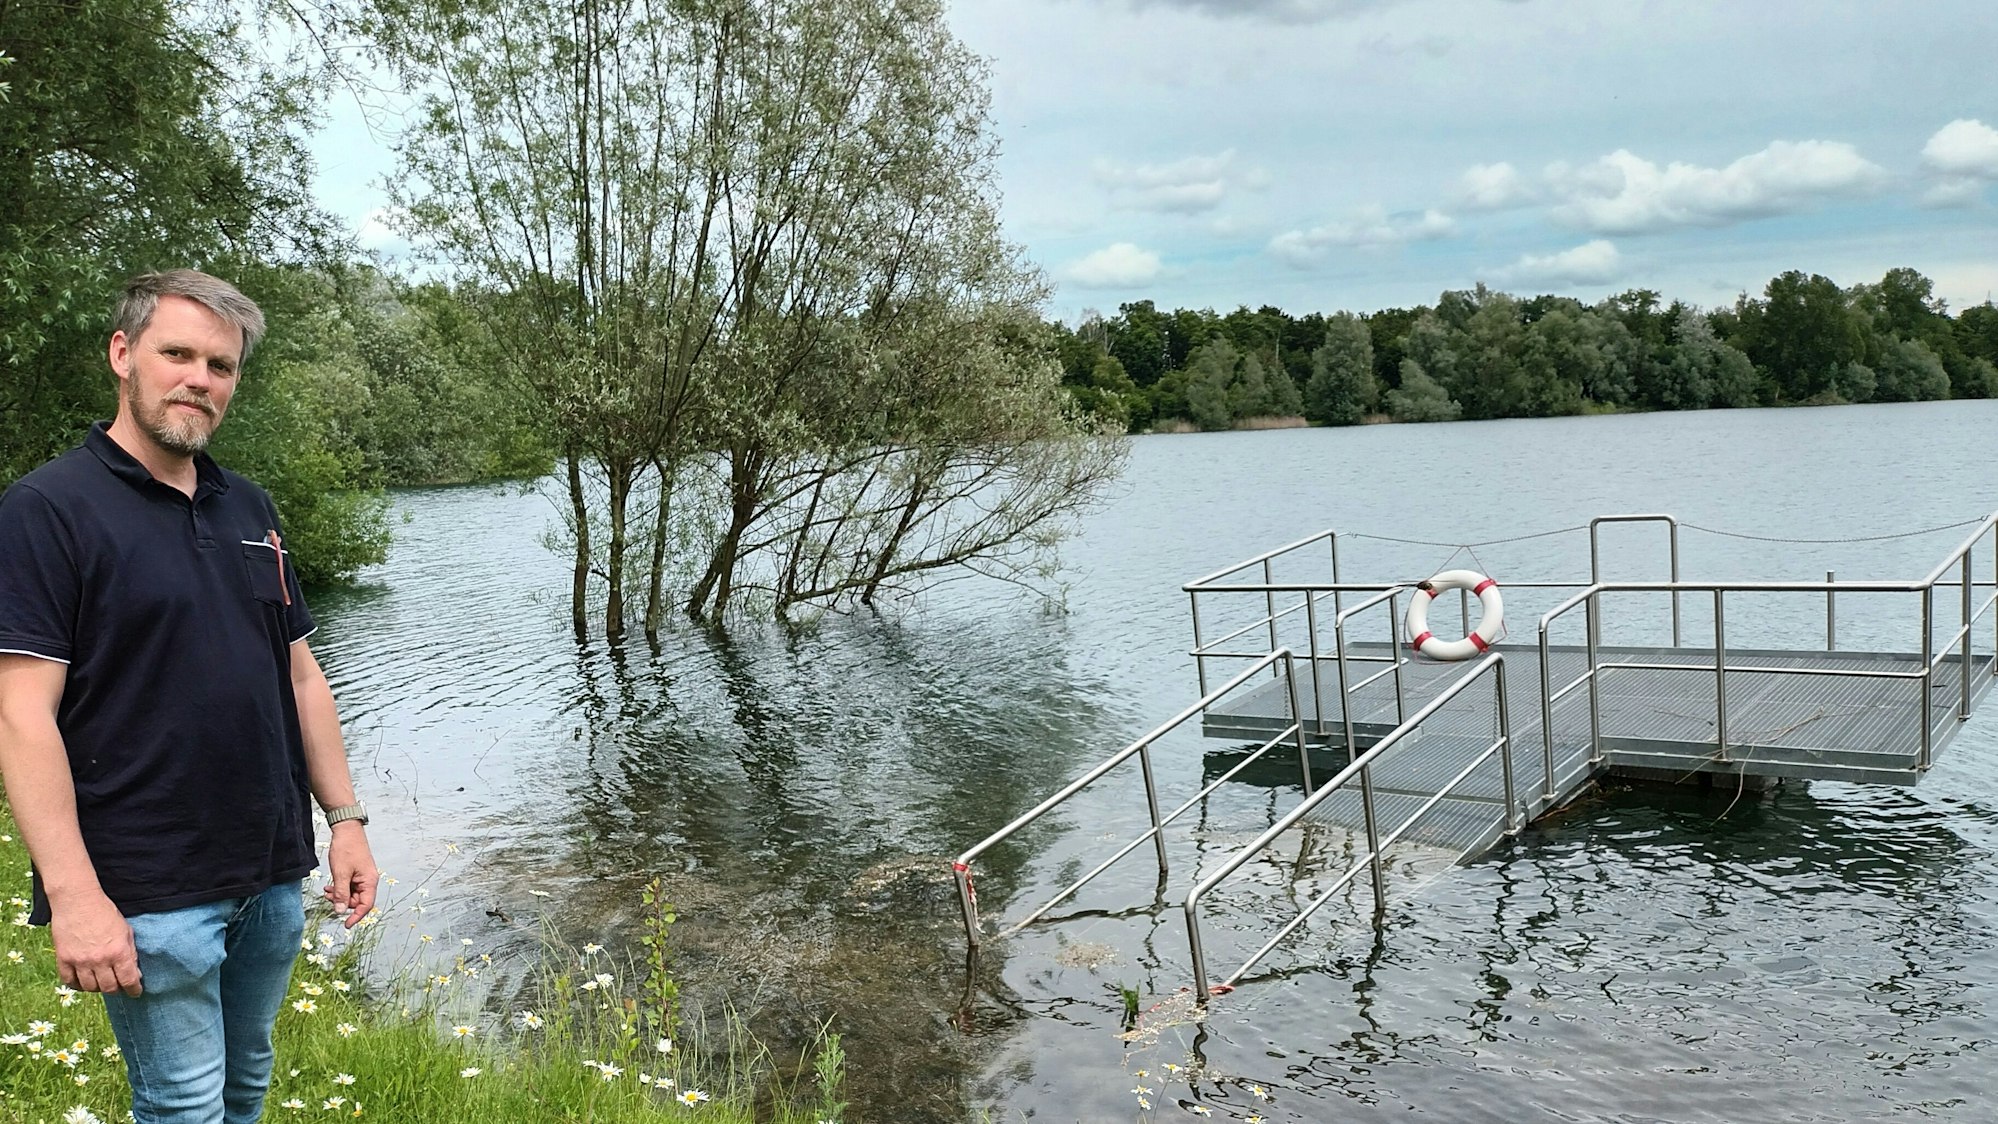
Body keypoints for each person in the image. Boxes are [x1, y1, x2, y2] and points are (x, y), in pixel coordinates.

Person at [0, 269, 379, 1123]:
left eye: (221, 364)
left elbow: (299, 674)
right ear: (123, 354)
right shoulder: (46, 511)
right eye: (177, 354)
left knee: (245, 1087)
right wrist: (74, 898)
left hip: (272, 874)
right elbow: (20, 717)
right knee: (183, 1107)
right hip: (149, 889)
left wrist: (345, 821)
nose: (199, 379)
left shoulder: (246, 504)